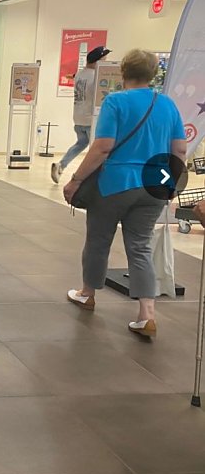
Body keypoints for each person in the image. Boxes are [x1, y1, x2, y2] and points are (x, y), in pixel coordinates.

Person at [63, 49, 186, 338]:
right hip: (154, 183)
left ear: (123, 73)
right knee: (141, 246)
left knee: (98, 239)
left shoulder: (116, 101)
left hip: (116, 183)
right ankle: (146, 314)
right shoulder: (167, 105)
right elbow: (179, 150)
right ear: (153, 73)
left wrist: (75, 180)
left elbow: (103, 147)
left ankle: (88, 293)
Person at [51, 46, 110, 183]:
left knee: (81, 143)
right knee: (96, 149)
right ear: (97, 61)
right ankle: (87, 176)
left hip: (78, 117)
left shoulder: (80, 74)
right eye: (104, 60)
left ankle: (61, 165)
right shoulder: (96, 76)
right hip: (91, 119)